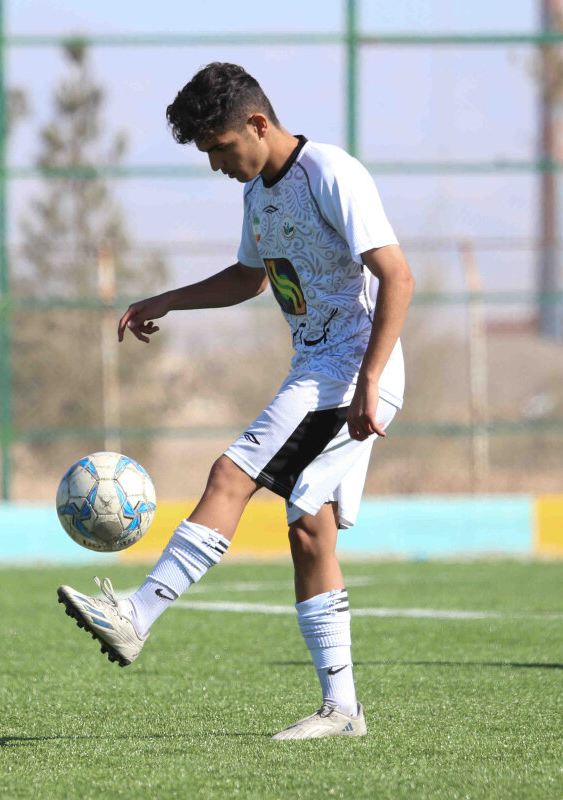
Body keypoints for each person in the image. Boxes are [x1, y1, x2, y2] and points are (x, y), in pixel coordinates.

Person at [57, 62, 414, 740]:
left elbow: (397, 276)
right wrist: (168, 299)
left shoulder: (331, 173)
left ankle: (137, 616)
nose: (216, 164)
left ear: (257, 124)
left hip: (347, 372)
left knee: (231, 474)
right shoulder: (257, 194)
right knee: (309, 531)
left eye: (219, 147)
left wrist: (370, 380)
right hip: (319, 370)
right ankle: (342, 711)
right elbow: (252, 278)